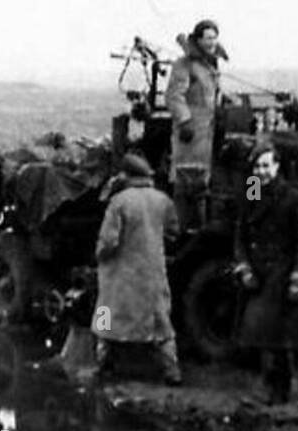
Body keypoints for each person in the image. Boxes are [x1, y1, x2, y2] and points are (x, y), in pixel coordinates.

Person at [233, 146, 298, 405]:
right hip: (259, 274)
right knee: (259, 333)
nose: (261, 172)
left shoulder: (294, 196)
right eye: (257, 167)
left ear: (277, 167)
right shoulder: (253, 192)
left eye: (266, 166)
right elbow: (241, 233)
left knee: (281, 338)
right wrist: (244, 266)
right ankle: (269, 390)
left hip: (283, 274)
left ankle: (281, 393)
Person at [93, 153, 182, 386]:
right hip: (153, 273)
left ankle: (103, 366)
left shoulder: (119, 202)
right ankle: (172, 371)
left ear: (125, 175)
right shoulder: (163, 200)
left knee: (104, 317)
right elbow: (174, 231)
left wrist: (99, 255)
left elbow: (108, 241)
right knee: (161, 324)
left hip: (118, 276)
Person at [167, 19, 226, 226]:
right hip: (191, 132)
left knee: (204, 181)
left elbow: (212, 94)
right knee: (186, 179)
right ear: (198, 39)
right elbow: (174, 96)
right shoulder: (184, 64)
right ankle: (183, 229)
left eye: (214, 37)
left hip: (208, 130)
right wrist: (185, 121)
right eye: (208, 38)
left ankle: (204, 225)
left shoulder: (211, 64)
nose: (212, 42)